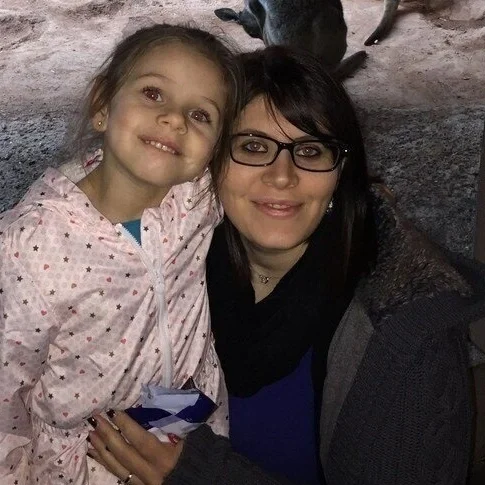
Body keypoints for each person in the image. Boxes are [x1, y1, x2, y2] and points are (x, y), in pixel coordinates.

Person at [88, 45, 485, 485]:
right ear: (211, 161)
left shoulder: (405, 340)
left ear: (340, 172)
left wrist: (198, 474)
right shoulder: (174, 262)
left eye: (310, 151)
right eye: (253, 146)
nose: (282, 176)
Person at [0, 23, 242, 485]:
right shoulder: (29, 247)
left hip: (189, 422)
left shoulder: (198, 198)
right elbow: (5, 391)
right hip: (88, 461)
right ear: (101, 105)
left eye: (201, 114)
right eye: (153, 93)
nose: (175, 119)